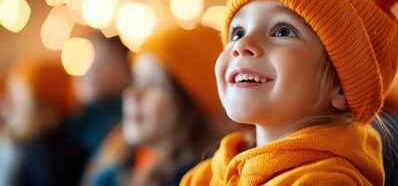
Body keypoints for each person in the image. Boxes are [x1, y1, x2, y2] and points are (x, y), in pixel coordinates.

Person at [180, 0, 398, 185]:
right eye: (237, 33)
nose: (241, 46)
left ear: (341, 85)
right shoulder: (205, 175)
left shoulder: (326, 180)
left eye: (282, 31)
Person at [88, 25, 242, 186]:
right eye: (135, 80)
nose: (132, 94)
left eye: (154, 84)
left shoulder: (199, 179)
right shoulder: (110, 173)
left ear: (190, 105)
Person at [4, 59, 85, 186]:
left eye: (20, 103)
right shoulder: (25, 146)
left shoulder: (50, 159)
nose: (11, 109)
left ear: (48, 110)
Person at [67, 31, 131, 162]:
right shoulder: (82, 115)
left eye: (100, 62)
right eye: (88, 62)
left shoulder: (127, 114)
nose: (90, 71)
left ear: (124, 68)